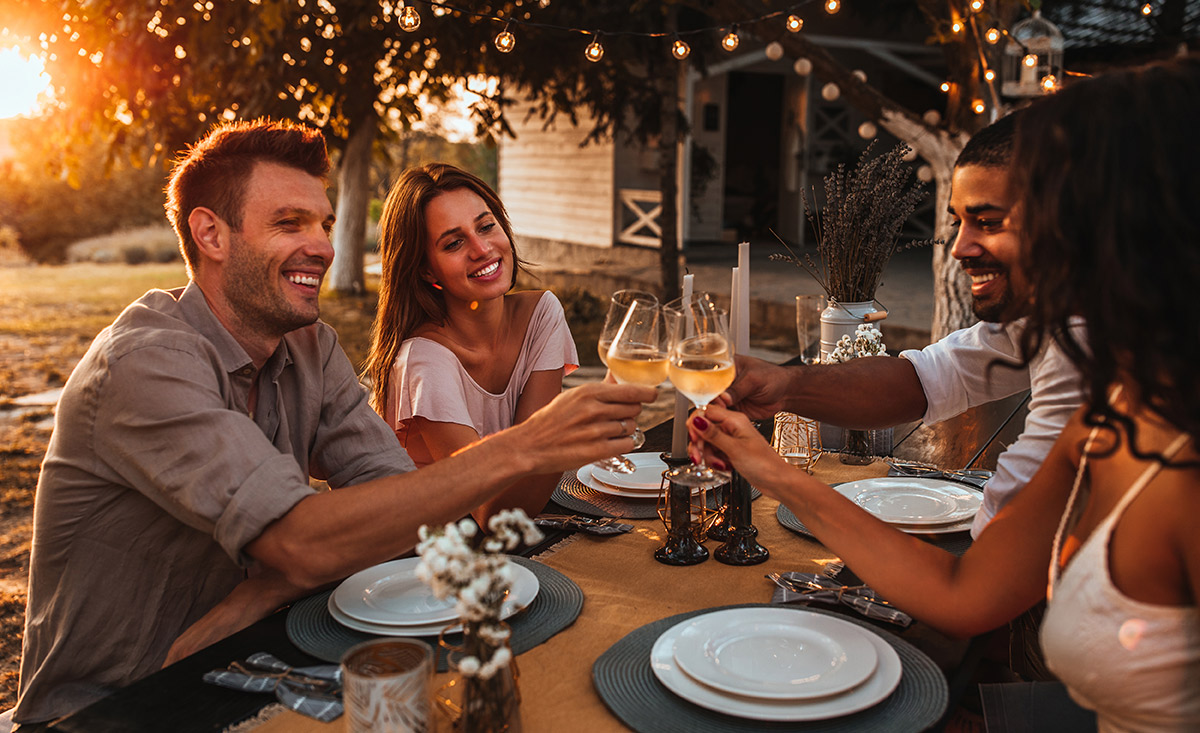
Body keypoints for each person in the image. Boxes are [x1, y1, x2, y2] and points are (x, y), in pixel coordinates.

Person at [12, 120, 653, 726]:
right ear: (210, 235)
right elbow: (303, 541)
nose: (321, 247)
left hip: (254, 655)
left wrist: (265, 589)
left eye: (324, 223)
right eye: (289, 223)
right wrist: (525, 446)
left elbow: (410, 516)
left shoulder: (309, 347)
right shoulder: (144, 363)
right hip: (118, 705)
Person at [690, 58, 1200, 731]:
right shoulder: (1114, 413)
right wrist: (783, 402)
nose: (960, 248)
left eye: (1043, 207)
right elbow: (935, 379)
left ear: (1133, 225)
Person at [724, 111, 1083, 539]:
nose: (959, 249)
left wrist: (772, 475)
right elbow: (929, 376)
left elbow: (973, 591)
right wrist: (784, 386)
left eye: (988, 222)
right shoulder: (1050, 316)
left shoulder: (1080, 344)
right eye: (958, 223)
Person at [363, 164, 576, 524]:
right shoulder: (424, 360)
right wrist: (570, 430)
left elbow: (530, 452)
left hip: (494, 543)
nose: (482, 249)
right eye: (454, 243)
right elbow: (492, 513)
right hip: (416, 556)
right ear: (427, 271)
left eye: (486, 226)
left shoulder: (542, 315)